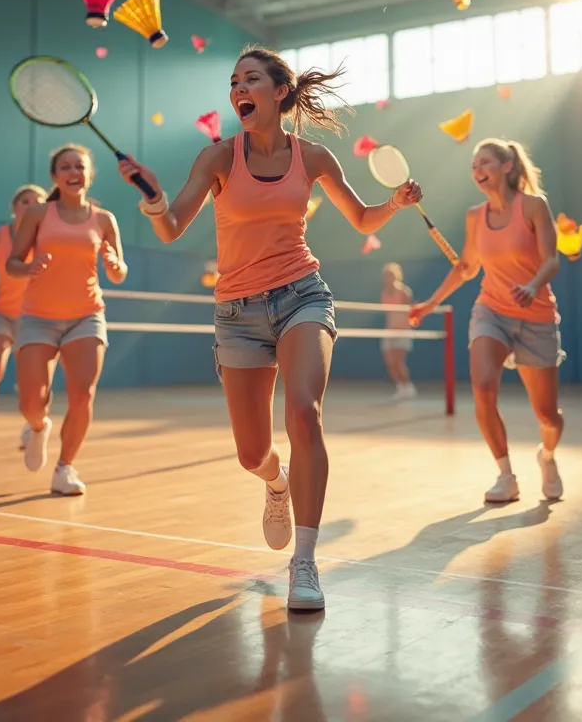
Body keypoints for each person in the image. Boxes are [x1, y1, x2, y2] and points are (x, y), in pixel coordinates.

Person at [117, 45, 422, 611]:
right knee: (251, 452)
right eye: (234, 81)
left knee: (304, 411)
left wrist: (395, 203)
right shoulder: (216, 159)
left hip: (302, 295)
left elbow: (360, 218)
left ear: (279, 92)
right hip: (237, 313)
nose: (239, 88)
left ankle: (304, 563)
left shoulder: (314, 158)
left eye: (251, 78)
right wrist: (155, 199)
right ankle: (274, 481)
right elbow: (171, 228)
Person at [410, 138, 564, 504]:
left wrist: (531, 285)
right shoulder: (474, 216)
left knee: (548, 416)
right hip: (491, 312)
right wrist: (430, 303)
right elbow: (466, 268)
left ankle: (548, 456)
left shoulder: (533, 207)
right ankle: (506, 476)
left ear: (507, 167)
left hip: (536, 318)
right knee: (482, 388)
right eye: (474, 165)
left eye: (485, 163)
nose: (477, 171)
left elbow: (552, 260)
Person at [7, 144, 127, 495]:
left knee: (82, 395)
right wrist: (29, 267)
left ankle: (65, 469)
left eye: (80, 166)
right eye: (65, 167)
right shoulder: (38, 214)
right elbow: (13, 263)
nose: (73, 172)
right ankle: (38, 426)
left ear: (90, 175)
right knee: (31, 402)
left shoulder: (104, 220)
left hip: (86, 317)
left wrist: (114, 265)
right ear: (55, 176)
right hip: (38, 318)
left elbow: (119, 273)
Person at [0, 184, 47, 456]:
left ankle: (32, 426)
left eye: (37, 202)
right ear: (15, 207)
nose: (30, 205)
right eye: (25, 201)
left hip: (35, 317)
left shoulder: (47, 237)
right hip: (2, 314)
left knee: (34, 383)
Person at [380, 262, 416, 400]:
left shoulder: (404, 292)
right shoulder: (384, 293)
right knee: (390, 361)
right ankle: (401, 387)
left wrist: (407, 327)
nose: (388, 278)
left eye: (391, 275)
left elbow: (410, 311)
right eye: (386, 276)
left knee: (399, 361)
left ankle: (408, 387)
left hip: (403, 331)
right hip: (389, 331)